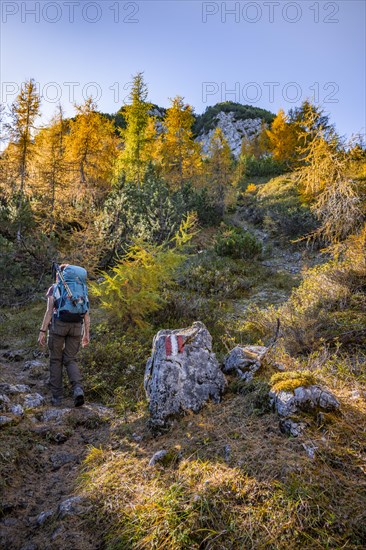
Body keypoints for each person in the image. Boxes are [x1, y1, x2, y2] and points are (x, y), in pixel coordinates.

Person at [38, 264, 90, 407]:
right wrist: (86, 334)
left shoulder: (54, 288)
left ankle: (57, 397)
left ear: (59, 275)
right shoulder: (82, 289)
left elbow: (49, 311)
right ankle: (78, 389)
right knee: (70, 359)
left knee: (55, 360)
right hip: (76, 327)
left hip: (58, 326)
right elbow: (86, 314)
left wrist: (42, 331)